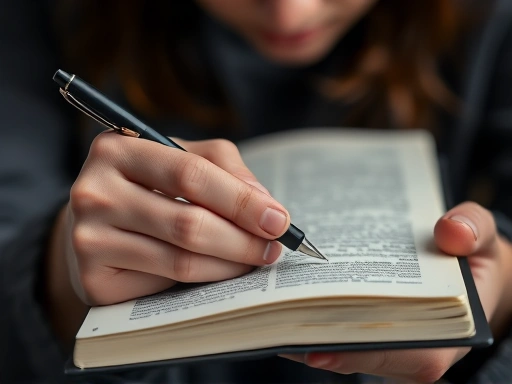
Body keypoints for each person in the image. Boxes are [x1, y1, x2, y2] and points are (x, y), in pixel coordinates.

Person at [1, 0, 512, 383]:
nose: (290, 14)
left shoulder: (491, 20)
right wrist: (60, 272)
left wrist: (505, 292)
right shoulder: (43, 16)